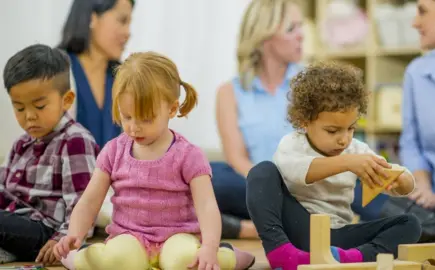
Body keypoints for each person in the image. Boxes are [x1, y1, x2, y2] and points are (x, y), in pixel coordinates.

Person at [53, 52, 255, 270]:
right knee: (116, 262)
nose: (134, 127)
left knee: (185, 262)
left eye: (146, 118)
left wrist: (209, 246)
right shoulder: (113, 151)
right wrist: (75, 234)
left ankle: (227, 255)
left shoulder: (188, 155)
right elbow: (89, 201)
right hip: (129, 237)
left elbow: (206, 205)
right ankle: (79, 257)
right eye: (127, 116)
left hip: (178, 237)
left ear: (171, 109)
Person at [246, 63, 422, 270]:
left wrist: (401, 180)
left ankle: (352, 259)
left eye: (351, 129)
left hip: (338, 236)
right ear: (304, 122)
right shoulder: (292, 143)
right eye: (332, 131)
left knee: (410, 224)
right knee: (261, 172)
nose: (344, 139)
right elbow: (297, 172)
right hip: (299, 231)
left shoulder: (357, 150)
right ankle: (282, 254)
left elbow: (403, 182)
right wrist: (347, 163)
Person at [351, 0, 435, 247]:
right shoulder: (416, 73)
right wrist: (423, 188)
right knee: (354, 188)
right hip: (423, 197)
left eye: (422, 11)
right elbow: (410, 142)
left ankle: (421, 226)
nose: (414, 22)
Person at [0, 44, 99, 264]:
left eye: (40, 106)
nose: (29, 117)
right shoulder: (21, 143)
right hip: (12, 222)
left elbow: (83, 204)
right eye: (19, 108)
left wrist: (63, 238)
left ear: (66, 100)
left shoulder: (75, 141)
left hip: (45, 230)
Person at [213, 0, 303, 239]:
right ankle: (266, 226)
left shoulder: (311, 84)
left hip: (307, 187)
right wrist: (274, 188)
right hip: (258, 188)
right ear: (265, 38)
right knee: (211, 178)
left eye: (301, 27)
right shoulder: (229, 92)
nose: (301, 35)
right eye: (292, 28)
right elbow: (236, 158)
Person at [58, 0, 134, 149]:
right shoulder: (56, 71)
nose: (128, 33)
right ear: (92, 17)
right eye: (122, 20)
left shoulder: (122, 79)